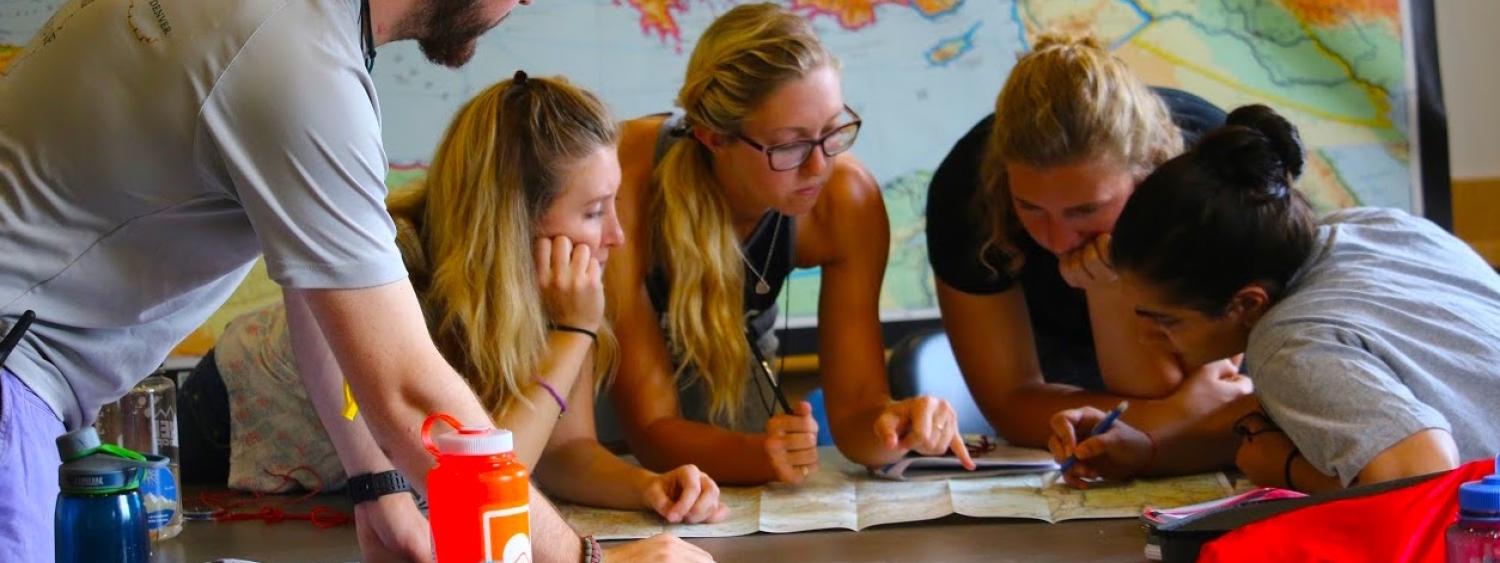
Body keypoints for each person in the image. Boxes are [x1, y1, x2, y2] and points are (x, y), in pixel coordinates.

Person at [0, 0, 706, 559]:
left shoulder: (289, 31)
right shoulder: (296, 60)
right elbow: (410, 395)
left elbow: (316, 292)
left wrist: (379, 488)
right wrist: (591, 561)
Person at [177, 73, 731, 527]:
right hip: (226, 418)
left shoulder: (560, 290)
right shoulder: (406, 277)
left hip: (359, 479)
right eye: (593, 212)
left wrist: (648, 487)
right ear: (514, 221)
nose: (617, 236)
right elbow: (482, 479)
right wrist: (573, 335)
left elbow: (562, 453)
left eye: (614, 206)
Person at [606, 2, 975, 486]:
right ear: (713, 136)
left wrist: (897, 427)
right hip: (606, 398)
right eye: (791, 145)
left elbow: (856, 418)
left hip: (731, 387)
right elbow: (649, 429)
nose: (820, 166)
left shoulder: (847, 198)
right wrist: (762, 456)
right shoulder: (622, 182)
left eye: (831, 131)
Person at [1052, 104, 1500, 493]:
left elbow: (1426, 479)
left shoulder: (1287, 345)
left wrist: (1290, 470)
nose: (1147, 338)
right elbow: (1326, 406)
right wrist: (1150, 451)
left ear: (1246, 305)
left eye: (1167, 321)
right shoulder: (1374, 227)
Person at [924, 33, 1249, 472]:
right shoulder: (965, 193)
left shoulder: (1215, 177)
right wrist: (1173, 416)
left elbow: (1214, 387)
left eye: (1085, 210)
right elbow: (1011, 401)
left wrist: (1111, 290)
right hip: (1056, 368)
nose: (1058, 240)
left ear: (1146, 172)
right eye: (1029, 208)